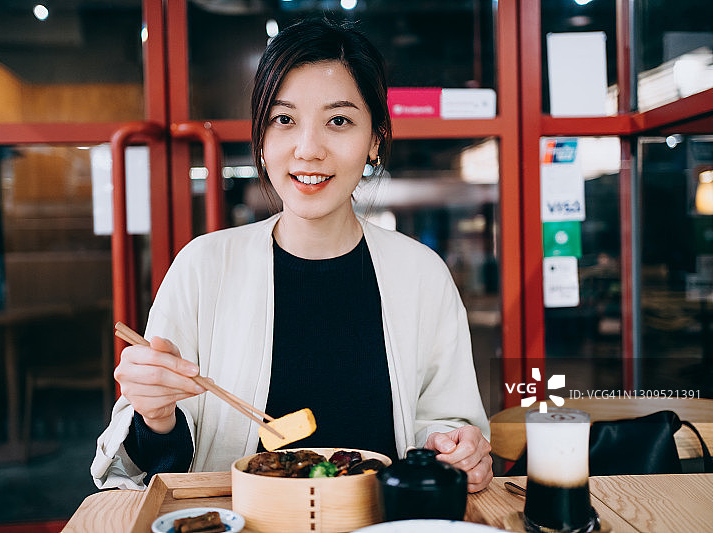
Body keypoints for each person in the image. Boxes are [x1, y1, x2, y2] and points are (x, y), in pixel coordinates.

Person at [91, 17, 492, 493]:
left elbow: (444, 424)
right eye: (284, 120)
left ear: (375, 142)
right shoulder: (204, 267)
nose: (308, 149)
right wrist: (155, 415)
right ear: (261, 141)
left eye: (338, 121)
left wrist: (456, 448)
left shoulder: (421, 274)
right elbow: (150, 471)